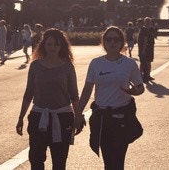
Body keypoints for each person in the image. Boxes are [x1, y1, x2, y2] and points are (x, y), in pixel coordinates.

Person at [76, 26, 146, 170]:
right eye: (109, 39)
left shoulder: (129, 64)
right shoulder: (96, 63)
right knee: (108, 162)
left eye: (116, 39)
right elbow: (87, 90)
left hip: (122, 117)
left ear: (122, 42)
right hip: (103, 118)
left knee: (118, 161)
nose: (112, 42)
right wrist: (77, 113)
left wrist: (133, 91)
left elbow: (140, 87)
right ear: (104, 42)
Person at [16, 27, 80, 170]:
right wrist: (21, 117)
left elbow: (74, 95)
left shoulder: (67, 67)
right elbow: (29, 93)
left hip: (62, 118)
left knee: (59, 162)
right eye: (49, 44)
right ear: (43, 45)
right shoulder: (36, 66)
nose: (52, 48)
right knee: (36, 160)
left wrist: (78, 117)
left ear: (61, 46)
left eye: (56, 44)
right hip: (39, 117)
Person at [136, 18, 156, 83]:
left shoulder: (149, 29)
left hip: (149, 48)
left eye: (149, 21)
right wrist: (143, 49)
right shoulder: (143, 29)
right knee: (143, 63)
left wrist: (143, 50)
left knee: (148, 62)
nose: (148, 23)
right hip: (144, 48)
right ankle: (142, 76)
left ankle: (147, 75)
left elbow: (146, 39)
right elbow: (145, 40)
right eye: (147, 21)